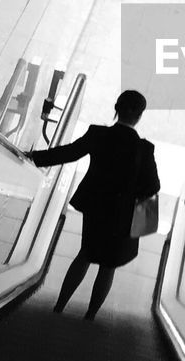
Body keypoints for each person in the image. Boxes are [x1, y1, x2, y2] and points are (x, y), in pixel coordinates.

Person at [29, 89, 159, 319]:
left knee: (86, 254)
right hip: (124, 213)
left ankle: (59, 307)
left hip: (96, 206)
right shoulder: (143, 148)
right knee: (108, 266)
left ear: (116, 108)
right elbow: (152, 186)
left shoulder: (98, 135)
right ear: (139, 116)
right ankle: (89, 317)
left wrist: (34, 157)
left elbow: (69, 153)